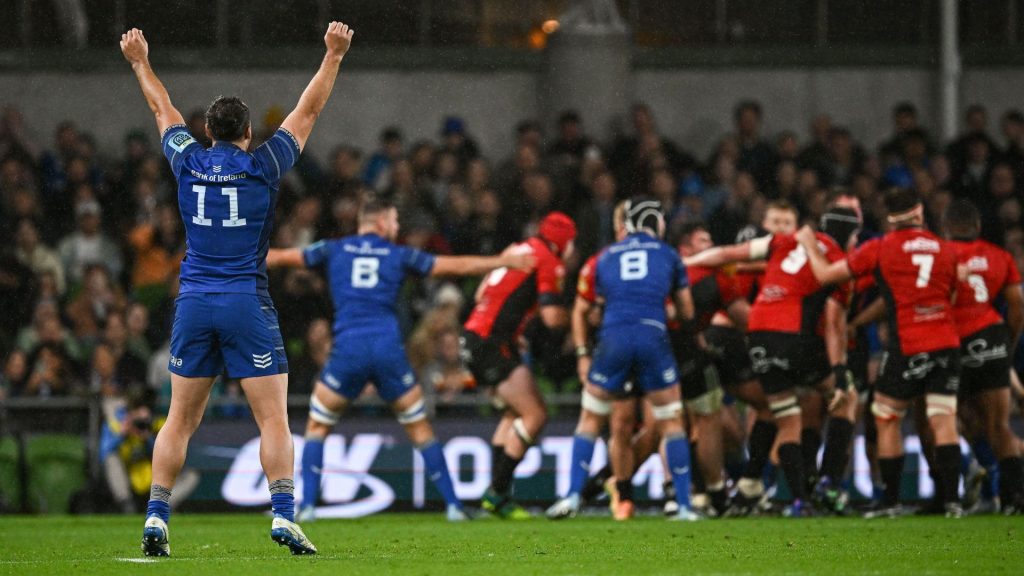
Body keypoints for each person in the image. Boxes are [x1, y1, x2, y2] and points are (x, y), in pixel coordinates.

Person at [121, 21, 354, 556]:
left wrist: (140, 63)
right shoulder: (264, 165)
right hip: (246, 301)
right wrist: (333, 56)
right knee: (272, 417)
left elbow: (162, 110)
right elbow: (308, 110)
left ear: (207, 130)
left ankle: (157, 517)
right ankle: (283, 514)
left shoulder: (188, 160)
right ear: (248, 133)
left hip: (195, 300)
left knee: (179, 418)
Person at [265, 196, 534, 522]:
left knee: (318, 426)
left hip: (347, 351)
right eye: (394, 221)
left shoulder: (333, 249)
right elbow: (452, 266)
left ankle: (306, 507)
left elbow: (279, 257)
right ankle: (453, 507)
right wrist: (500, 261)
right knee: (420, 429)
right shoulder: (398, 254)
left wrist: (223, 257)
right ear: (380, 223)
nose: (397, 227)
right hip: (388, 352)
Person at [796, 188, 964, 518]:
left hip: (908, 344)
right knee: (943, 420)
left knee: (887, 418)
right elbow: (953, 296)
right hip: (946, 342)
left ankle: (890, 500)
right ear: (919, 213)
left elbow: (825, 276)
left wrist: (808, 244)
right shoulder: (946, 249)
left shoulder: (880, 247)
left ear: (890, 218)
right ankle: (951, 501)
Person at [686, 206, 860, 516]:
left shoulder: (783, 242)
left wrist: (686, 262)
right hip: (789, 334)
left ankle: (791, 498)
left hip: (758, 333)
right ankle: (828, 482)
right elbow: (835, 325)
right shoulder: (840, 264)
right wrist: (839, 372)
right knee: (845, 397)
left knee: (783, 413)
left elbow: (726, 253)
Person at [548, 197, 701, 521]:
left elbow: (584, 307)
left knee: (590, 418)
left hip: (613, 338)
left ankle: (573, 497)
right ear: (658, 224)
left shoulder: (602, 258)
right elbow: (687, 311)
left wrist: (582, 352)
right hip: (652, 337)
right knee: (672, 420)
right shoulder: (669, 255)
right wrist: (668, 309)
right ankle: (684, 506)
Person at [462, 211, 576, 519]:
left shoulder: (516, 250)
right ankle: (497, 493)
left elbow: (479, 293)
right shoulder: (548, 260)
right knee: (536, 414)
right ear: (563, 242)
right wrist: (579, 316)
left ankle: (498, 496)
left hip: (476, 336)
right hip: (491, 341)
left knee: (515, 414)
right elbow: (553, 319)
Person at [944, 199, 1024, 513]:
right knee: (999, 426)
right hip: (992, 336)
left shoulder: (943, 255)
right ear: (977, 227)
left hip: (955, 341)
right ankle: (1014, 498)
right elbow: (1017, 306)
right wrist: (1008, 342)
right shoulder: (1000, 256)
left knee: (957, 419)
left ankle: (986, 486)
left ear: (947, 227)